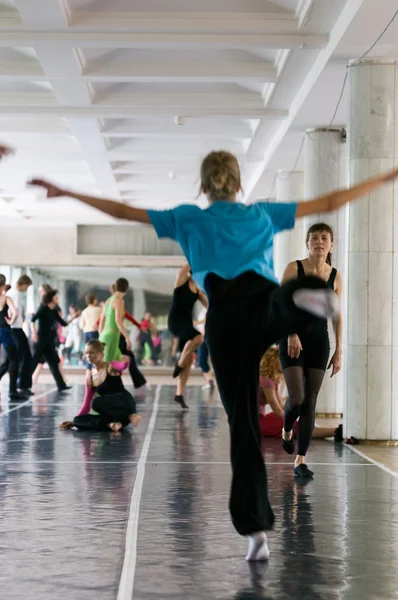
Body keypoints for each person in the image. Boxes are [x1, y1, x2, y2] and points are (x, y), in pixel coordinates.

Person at [30, 151, 398, 562]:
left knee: (243, 424)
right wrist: (385, 177)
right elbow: (329, 203)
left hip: (224, 315)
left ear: (202, 187)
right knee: (281, 298)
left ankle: (256, 531)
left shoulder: (187, 217)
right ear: (239, 185)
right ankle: (306, 300)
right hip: (263, 302)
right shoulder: (261, 213)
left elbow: (123, 211)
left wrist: (65, 191)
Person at [279, 223, 342, 479]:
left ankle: (300, 460)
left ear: (331, 244)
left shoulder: (335, 276)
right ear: (307, 243)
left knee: (311, 399)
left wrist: (339, 349)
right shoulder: (295, 268)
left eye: (324, 237)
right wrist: (292, 333)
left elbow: (336, 315)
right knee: (297, 397)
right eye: (314, 237)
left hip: (319, 342)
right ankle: (286, 430)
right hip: (292, 338)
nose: (319, 241)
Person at [258, 347, 342, 442]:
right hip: (256, 423)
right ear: (272, 360)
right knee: (295, 427)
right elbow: (277, 409)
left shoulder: (272, 380)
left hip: (260, 420)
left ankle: (336, 431)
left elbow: (281, 406)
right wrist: (291, 422)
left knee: (296, 425)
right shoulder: (266, 381)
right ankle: (336, 431)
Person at [59, 340, 141, 432]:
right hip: (112, 414)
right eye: (87, 353)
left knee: (96, 402)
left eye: (92, 352)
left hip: (125, 404)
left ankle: (130, 415)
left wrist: (125, 359)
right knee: (77, 420)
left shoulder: (110, 367)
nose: (89, 356)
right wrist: (73, 423)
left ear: (101, 354)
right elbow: (86, 406)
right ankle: (112, 424)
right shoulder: (90, 379)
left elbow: (124, 364)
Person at [168, 264, 207, 409]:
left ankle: (179, 394)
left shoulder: (197, 290)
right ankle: (179, 363)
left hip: (187, 324)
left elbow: (209, 304)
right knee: (199, 338)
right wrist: (197, 254)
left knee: (189, 359)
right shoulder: (181, 281)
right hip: (175, 321)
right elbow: (185, 267)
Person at [31, 290, 77, 391]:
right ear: (51, 298)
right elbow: (33, 320)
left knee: (53, 362)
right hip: (41, 340)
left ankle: (61, 385)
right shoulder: (43, 308)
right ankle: (23, 384)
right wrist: (34, 333)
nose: (57, 299)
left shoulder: (54, 310)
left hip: (49, 341)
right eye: (56, 297)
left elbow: (64, 323)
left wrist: (74, 317)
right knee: (34, 361)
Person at [0, 274, 34, 395]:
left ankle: (17, 387)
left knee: (13, 359)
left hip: (12, 329)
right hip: (11, 330)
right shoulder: (10, 295)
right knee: (17, 358)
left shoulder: (12, 294)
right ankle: (16, 388)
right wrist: (11, 321)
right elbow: (13, 312)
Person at [98, 278, 132, 362]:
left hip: (104, 335)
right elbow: (118, 320)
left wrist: (100, 335)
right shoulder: (119, 301)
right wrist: (127, 338)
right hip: (112, 335)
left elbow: (102, 320)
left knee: (122, 360)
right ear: (127, 288)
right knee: (108, 367)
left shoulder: (108, 300)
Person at [194, 306, 215, 390]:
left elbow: (208, 319)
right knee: (202, 360)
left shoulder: (210, 305)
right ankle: (210, 381)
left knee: (204, 359)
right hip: (202, 337)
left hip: (207, 336)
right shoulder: (203, 308)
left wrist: (197, 322)